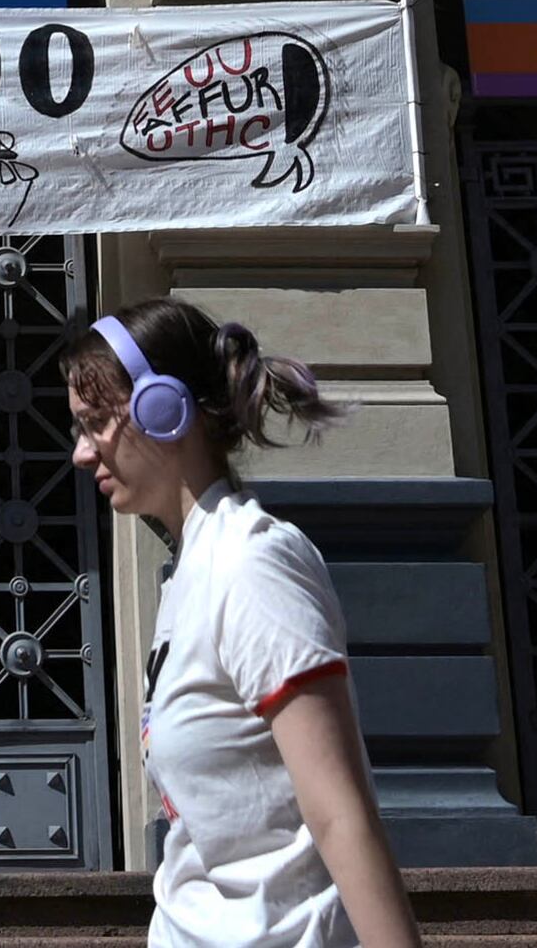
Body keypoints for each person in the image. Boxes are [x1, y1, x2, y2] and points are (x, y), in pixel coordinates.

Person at [62, 299, 419, 948]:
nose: (82, 453)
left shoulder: (254, 566)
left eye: (95, 424)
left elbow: (340, 815)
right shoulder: (189, 577)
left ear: (162, 410)